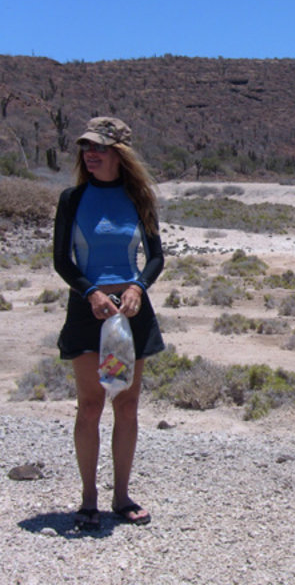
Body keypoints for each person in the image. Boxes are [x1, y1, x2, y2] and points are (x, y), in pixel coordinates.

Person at [53, 117, 165, 531]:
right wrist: (92, 293)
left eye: (99, 147)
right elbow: (62, 261)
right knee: (90, 406)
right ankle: (88, 499)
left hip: (132, 312)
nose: (90, 154)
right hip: (88, 310)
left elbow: (156, 258)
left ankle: (121, 496)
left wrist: (138, 287)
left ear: (120, 152)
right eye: (86, 147)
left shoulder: (139, 198)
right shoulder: (72, 199)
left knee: (128, 406)